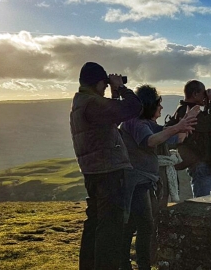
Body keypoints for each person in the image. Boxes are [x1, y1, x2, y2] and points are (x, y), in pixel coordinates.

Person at [70, 62, 142, 270]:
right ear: (99, 82)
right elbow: (133, 108)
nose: (105, 87)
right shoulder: (92, 103)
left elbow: (112, 118)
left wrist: (113, 95)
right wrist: (120, 87)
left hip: (94, 172)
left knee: (95, 225)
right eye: (104, 84)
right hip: (108, 172)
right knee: (110, 230)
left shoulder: (82, 102)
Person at [119, 85, 198, 270]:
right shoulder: (134, 123)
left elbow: (174, 139)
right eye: (158, 104)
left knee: (132, 226)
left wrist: (186, 122)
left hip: (143, 182)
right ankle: (140, 265)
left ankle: (125, 264)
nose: (161, 108)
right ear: (149, 105)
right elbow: (150, 141)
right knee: (145, 226)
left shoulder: (145, 123)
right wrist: (178, 127)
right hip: (136, 182)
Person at [166, 80, 211, 198]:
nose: (205, 96)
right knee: (203, 202)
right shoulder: (187, 111)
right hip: (201, 164)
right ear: (195, 94)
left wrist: (208, 103)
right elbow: (209, 124)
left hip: (208, 162)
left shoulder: (192, 110)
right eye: (203, 93)